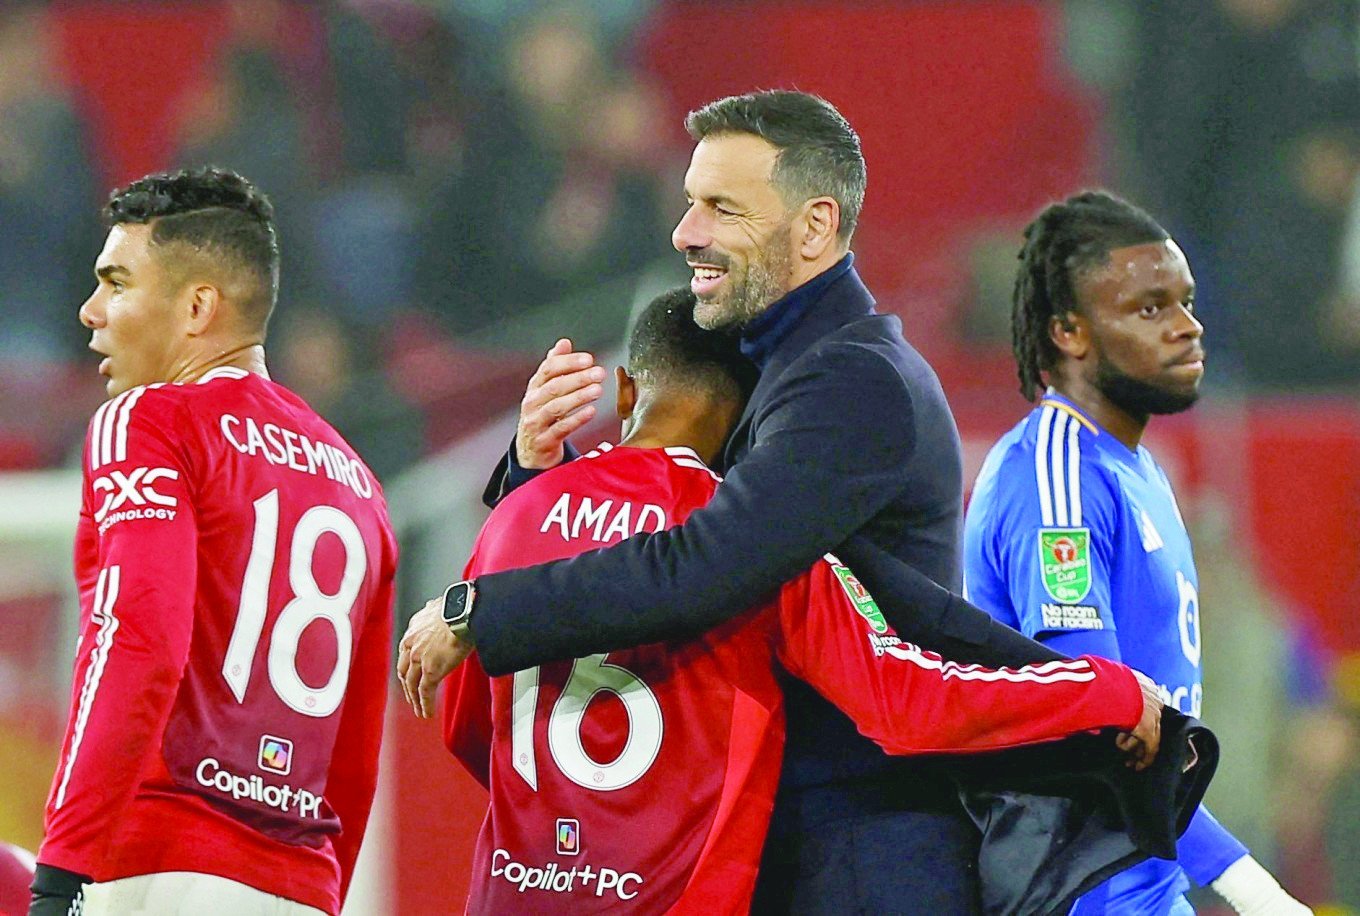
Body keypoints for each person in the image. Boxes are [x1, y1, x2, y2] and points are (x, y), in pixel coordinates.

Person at [399, 90, 1160, 913]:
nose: (687, 232)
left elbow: (709, 564)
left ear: (814, 226)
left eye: (722, 208)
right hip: (792, 842)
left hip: (866, 853)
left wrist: (482, 607)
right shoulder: (765, 371)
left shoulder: (852, 383)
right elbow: (668, 533)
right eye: (690, 202)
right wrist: (533, 476)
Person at [28, 168, 395, 916]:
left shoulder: (149, 421)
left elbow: (137, 638)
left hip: (156, 870)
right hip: (302, 884)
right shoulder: (359, 484)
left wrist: (62, 870)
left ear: (197, 307)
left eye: (116, 282)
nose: (90, 310)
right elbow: (356, 755)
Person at [962, 191, 1309, 915]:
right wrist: (1250, 885)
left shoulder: (1132, 466)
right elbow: (1099, 718)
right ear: (1069, 332)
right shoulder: (1053, 475)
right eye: (1150, 309)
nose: (1188, 328)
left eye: (1184, 302)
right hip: (1078, 888)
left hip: (1141, 881)